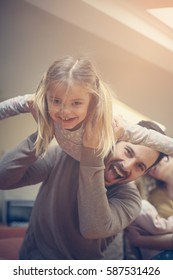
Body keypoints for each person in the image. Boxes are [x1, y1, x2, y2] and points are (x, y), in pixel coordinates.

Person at [0, 120, 168, 259]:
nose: (126, 166)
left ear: (144, 173)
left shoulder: (130, 201)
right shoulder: (64, 156)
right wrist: (43, 132)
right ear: (114, 141)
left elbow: (92, 228)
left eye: (139, 166)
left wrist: (91, 155)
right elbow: (3, 179)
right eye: (128, 152)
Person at [1, 56, 173, 161]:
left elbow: (148, 137)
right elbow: (10, 106)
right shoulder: (39, 104)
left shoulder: (108, 124)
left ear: (92, 101)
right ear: (47, 96)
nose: (64, 111)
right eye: (56, 101)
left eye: (76, 103)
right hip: (71, 159)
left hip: (106, 165)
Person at [125, 156, 173, 259]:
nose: (152, 167)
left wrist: (141, 241)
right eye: (148, 167)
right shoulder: (152, 196)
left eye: (160, 158)